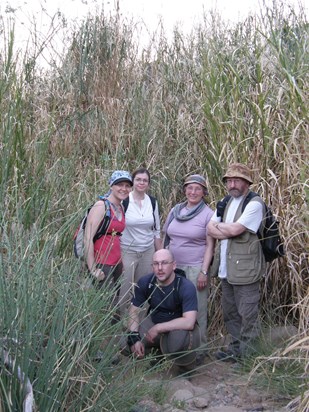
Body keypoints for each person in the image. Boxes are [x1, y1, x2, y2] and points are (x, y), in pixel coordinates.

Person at [207, 163, 265, 361]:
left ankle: (248, 358)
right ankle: (235, 350)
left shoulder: (254, 203)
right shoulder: (225, 202)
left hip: (246, 271)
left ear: (246, 183)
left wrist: (221, 228)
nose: (232, 184)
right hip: (226, 270)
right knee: (230, 312)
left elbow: (234, 231)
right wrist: (226, 228)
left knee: (247, 314)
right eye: (229, 181)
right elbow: (209, 228)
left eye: (236, 180)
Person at [162, 174, 215, 363]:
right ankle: (174, 348)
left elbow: (210, 246)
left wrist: (204, 271)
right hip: (173, 268)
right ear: (184, 190)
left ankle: (199, 351)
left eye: (197, 189)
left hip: (194, 268)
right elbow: (166, 237)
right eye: (189, 188)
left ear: (204, 192)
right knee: (173, 307)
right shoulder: (176, 210)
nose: (193, 192)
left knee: (197, 309)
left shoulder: (209, 214)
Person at [125, 249, 201, 369]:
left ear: (174, 265)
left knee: (176, 345)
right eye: (156, 263)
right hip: (155, 319)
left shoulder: (185, 286)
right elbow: (133, 311)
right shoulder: (145, 282)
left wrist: (158, 328)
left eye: (165, 263)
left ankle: (185, 365)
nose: (160, 268)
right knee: (128, 344)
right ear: (152, 266)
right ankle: (158, 356)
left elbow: (189, 322)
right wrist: (134, 338)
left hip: (179, 326)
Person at [119, 168, 162, 313]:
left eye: (145, 180)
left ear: (148, 184)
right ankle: (119, 327)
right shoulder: (124, 201)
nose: (141, 183)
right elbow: (116, 228)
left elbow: (156, 231)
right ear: (133, 182)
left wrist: (159, 254)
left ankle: (139, 327)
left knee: (143, 290)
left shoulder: (153, 202)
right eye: (138, 179)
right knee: (123, 290)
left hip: (147, 251)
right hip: (127, 251)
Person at [84, 170, 133, 293]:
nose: (124, 188)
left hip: (116, 263)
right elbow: (88, 238)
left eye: (127, 185)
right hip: (102, 264)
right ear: (111, 185)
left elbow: (116, 235)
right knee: (105, 307)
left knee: (114, 304)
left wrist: (120, 264)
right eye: (119, 185)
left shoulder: (121, 207)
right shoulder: (101, 206)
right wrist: (93, 268)